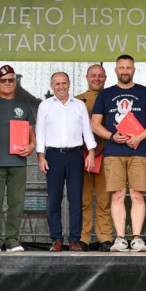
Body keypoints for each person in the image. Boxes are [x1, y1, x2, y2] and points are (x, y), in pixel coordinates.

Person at [91, 54, 146, 252]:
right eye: (121, 68)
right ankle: (120, 238)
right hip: (113, 152)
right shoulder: (105, 95)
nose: (124, 71)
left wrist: (139, 137)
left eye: (128, 68)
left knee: (137, 195)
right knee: (117, 195)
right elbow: (95, 124)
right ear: (115, 70)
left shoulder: (145, 92)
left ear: (133, 70)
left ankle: (137, 238)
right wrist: (112, 137)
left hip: (138, 151)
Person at [36, 72, 97, 252]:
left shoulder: (79, 106)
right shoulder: (44, 106)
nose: (61, 86)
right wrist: (40, 156)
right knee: (54, 199)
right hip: (53, 156)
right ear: (51, 85)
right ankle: (56, 239)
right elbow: (40, 133)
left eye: (64, 83)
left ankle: (74, 240)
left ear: (69, 83)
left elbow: (87, 131)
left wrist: (91, 153)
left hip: (75, 155)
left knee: (75, 199)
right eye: (57, 84)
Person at [0, 65, 36, 253]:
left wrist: (31, 146)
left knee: (16, 203)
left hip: (18, 162)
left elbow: (31, 133)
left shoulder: (23, 105)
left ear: (16, 82)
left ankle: (13, 239)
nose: (7, 83)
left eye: (11, 80)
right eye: (3, 80)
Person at [76, 64, 113, 252]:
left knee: (104, 199)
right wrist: (86, 147)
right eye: (93, 75)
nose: (97, 79)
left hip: (106, 154)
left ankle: (105, 237)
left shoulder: (113, 98)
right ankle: (82, 238)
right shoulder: (76, 101)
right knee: (83, 199)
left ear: (105, 77)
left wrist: (102, 146)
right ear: (87, 77)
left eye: (100, 76)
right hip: (82, 155)